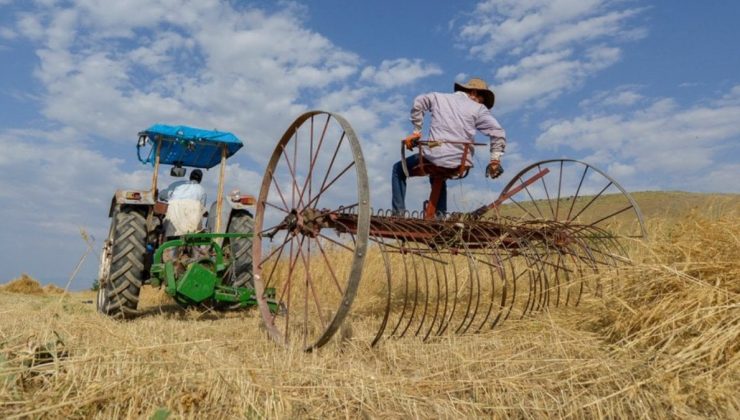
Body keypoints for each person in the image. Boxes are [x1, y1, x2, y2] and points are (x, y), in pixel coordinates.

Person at [391, 77, 506, 216]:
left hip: (435, 156)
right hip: (461, 161)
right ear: (474, 92)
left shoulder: (438, 97)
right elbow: (498, 132)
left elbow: (419, 102)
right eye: (481, 99)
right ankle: (439, 218)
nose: (480, 103)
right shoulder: (479, 109)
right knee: (438, 175)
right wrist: (495, 160)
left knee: (398, 169)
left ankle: (398, 214)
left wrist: (416, 131)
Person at [160, 169, 207, 236]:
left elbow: (162, 195)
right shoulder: (202, 191)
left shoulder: (177, 184)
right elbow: (202, 209)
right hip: (191, 229)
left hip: (171, 225)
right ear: (200, 179)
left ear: (190, 176)